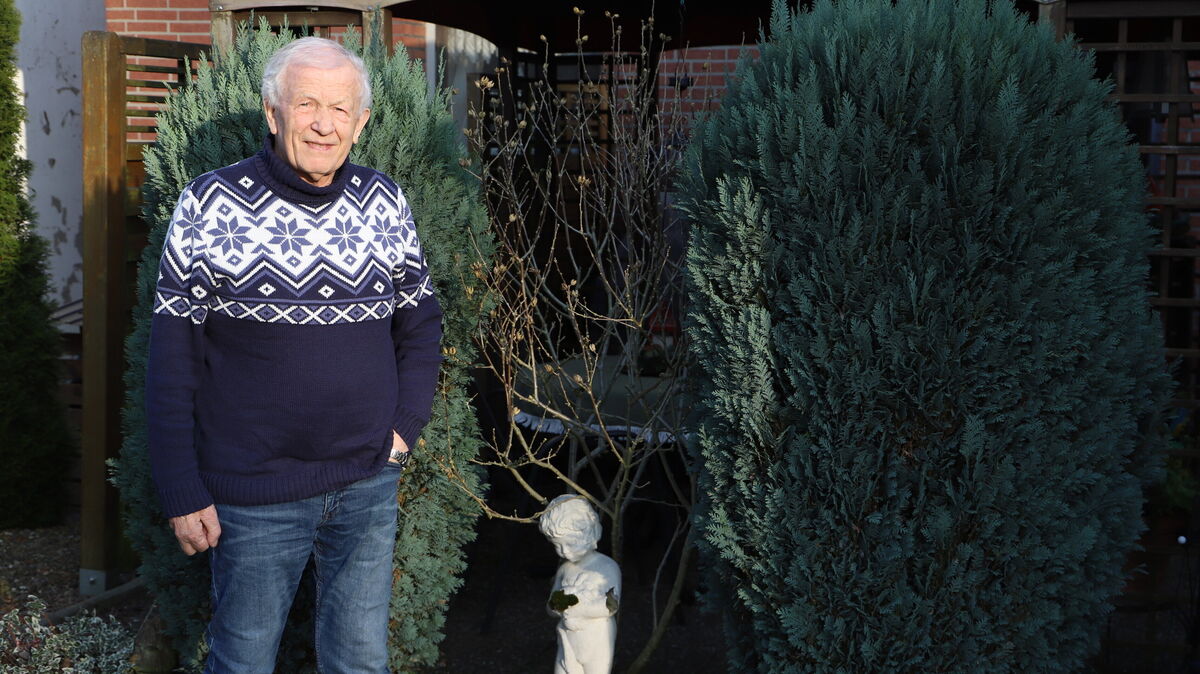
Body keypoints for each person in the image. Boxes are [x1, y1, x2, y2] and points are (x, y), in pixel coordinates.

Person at [144, 36, 443, 673]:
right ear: (273, 113)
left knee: (360, 661)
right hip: (254, 494)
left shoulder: (383, 202)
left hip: (367, 481)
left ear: (361, 123)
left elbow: (421, 325)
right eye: (306, 104)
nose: (323, 124)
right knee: (244, 660)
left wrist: (402, 432)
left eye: (340, 109)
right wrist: (178, 486)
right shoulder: (209, 204)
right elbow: (172, 357)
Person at [540, 495, 621, 674]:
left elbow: (610, 607)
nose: (564, 551)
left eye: (570, 543)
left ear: (589, 532)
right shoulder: (564, 570)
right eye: (557, 546)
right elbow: (550, 608)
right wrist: (558, 604)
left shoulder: (606, 567)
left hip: (597, 640)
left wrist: (575, 603)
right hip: (568, 639)